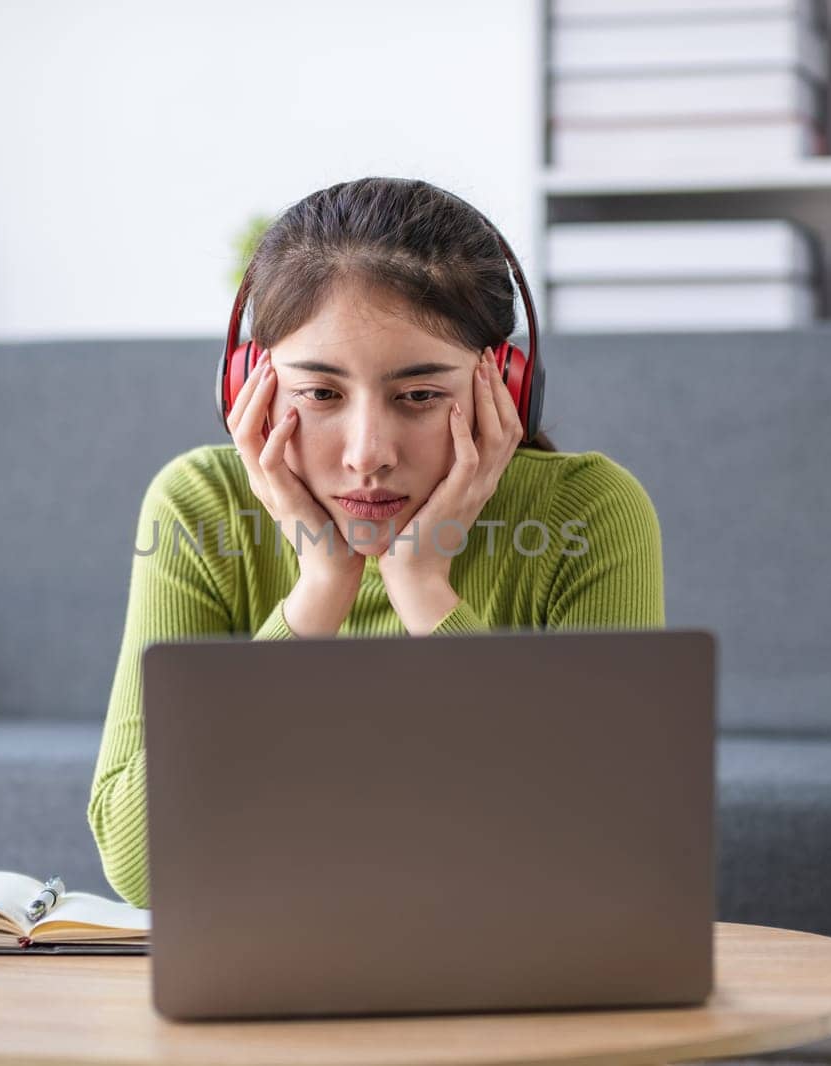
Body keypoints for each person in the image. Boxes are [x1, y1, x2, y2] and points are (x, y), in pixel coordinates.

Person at [88, 176, 664, 908]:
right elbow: (143, 868)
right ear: (248, 391)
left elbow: (602, 852)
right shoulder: (199, 505)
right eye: (320, 394)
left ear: (507, 389)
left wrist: (424, 589)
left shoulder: (589, 512)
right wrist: (320, 590)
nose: (368, 453)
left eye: (420, 396)